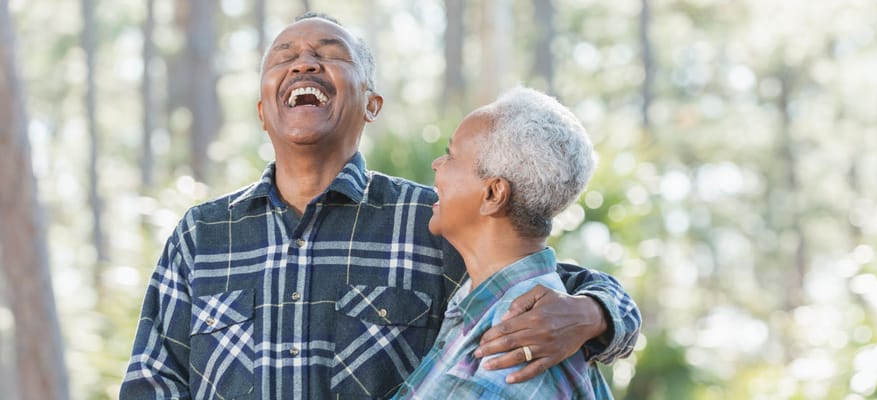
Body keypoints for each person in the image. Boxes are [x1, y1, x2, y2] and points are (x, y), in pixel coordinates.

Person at [120, 13, 640, 400]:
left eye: (329, 52)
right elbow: (150, 382)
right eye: (285, 56)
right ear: (262, 109)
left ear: (372, 104)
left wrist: (593, 315)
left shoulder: (431, 222)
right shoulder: (203, 234)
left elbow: (538, 281)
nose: (304, 60)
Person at [396, 88, 612, 399]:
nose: (436, 164)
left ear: (493, 194)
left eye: (452, 155)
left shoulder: (504, 357)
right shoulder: (489, 315)